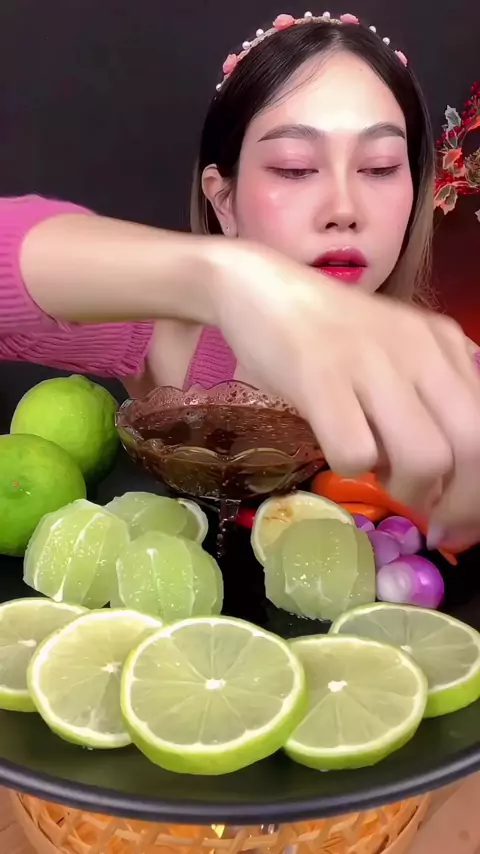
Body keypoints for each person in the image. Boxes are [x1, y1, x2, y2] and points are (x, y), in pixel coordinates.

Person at [1, 13, 480, 550]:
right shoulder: (159, 334)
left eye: (380, 167)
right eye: (295, 168)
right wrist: (215, 278)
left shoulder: (455, 379)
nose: (344, 210)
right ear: (223, 200)